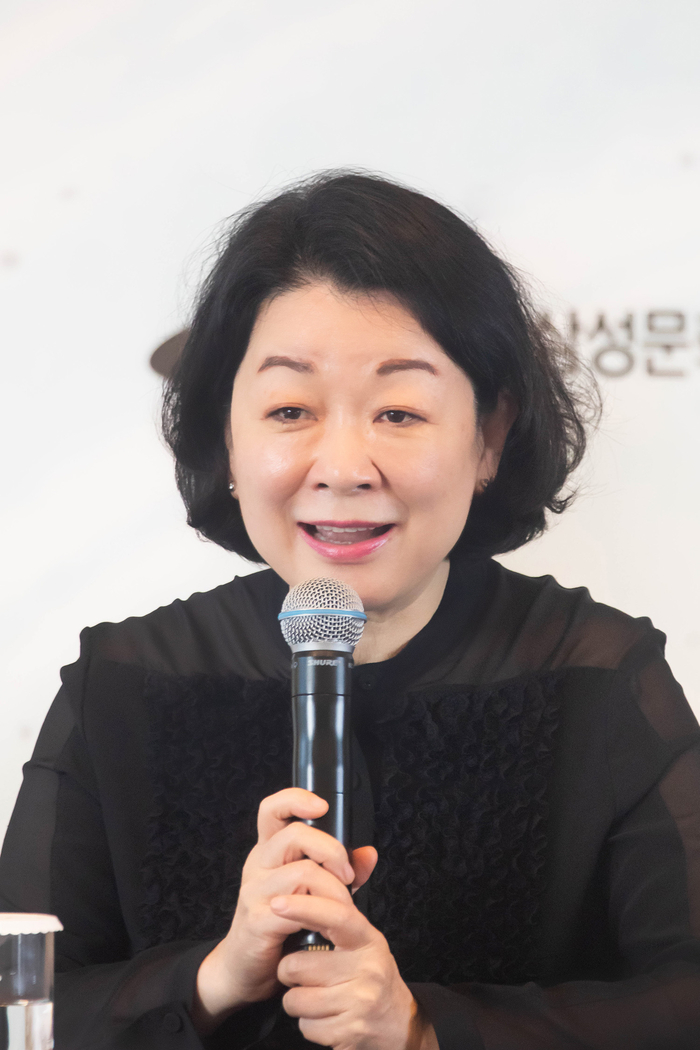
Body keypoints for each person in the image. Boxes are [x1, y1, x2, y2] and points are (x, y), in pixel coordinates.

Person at [1, 171, 699, 1050]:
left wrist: (423, 1027)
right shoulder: (124, 682)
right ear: (228, 436)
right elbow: (20, 998)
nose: (342, 467)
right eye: (290, 409)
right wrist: (214, 978)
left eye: (398, 412)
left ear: (489, 437)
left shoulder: (597, 673)